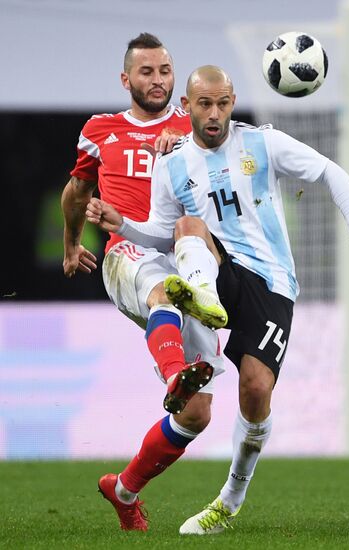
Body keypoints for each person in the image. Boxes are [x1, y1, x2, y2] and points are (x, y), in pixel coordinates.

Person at [86, 65, 349, 535]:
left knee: (255, 391)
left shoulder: (261, 143)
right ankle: (201, 298)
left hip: (269, 280)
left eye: (223, 103)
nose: (215, 114)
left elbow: (331, 172)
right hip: (209, 272)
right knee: (187, 229)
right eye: (204, 104)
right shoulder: (171, 164)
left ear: (232, 102)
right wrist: (120, 224)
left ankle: (227, 500)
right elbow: (159, 236)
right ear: (186, 108)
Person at [61, 38, 227, 533]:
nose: (158, 79)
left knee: (197, 415)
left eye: (165, 70)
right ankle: (175, 370)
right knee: (163, 292)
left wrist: (189, 150)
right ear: (126, 80)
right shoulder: (99, 131)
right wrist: (72, 244)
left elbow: (225, 182)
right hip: (127, 255)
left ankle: (124, 489)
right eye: (147, 71)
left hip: (183, 256)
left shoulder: (194, 127)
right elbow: (77, 191)